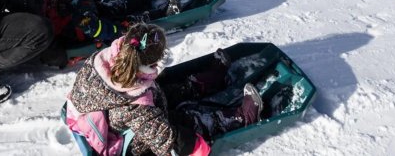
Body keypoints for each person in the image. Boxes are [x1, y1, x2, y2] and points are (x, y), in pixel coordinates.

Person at [67, 24, 261, 156]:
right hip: (126, 142)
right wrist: (195, 147)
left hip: (114, 114)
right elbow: (165, 140)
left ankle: (205, 82)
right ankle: (239, 117)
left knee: (163, 88)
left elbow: (140, 93)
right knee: (184, 120)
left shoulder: (106, 60)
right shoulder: (137, 107)